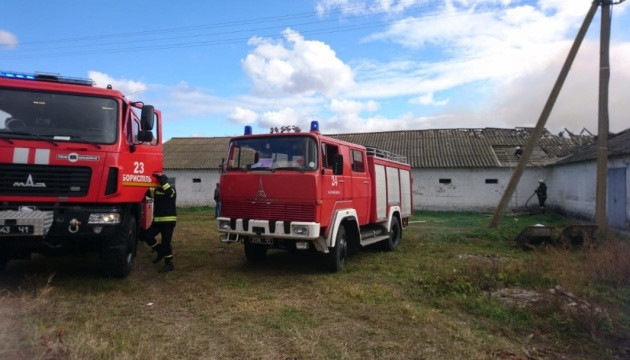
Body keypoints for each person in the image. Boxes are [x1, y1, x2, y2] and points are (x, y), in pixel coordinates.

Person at [143, 173, 177, 272]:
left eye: (161, 181)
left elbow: (169, 194)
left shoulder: (172, 190)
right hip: (157, 221)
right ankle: (160, 251)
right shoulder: (156, 191)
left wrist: (163, 181)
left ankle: (169, 264)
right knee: (147, 236)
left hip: (168, 222)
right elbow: (145, 192)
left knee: (166, 243)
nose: (159, 182)